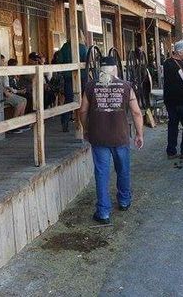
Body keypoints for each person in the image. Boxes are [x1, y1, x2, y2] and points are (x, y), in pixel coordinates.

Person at [79, 56, 144, 225]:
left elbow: (82, 111)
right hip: (120, 136)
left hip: (99, 137)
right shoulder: (126, 86)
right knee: (123, 169)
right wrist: (139, 134)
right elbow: (136, 113)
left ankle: (103, 212)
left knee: (101, 173)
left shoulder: (91, 86)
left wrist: (86, 128)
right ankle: (124, 201)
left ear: (100, 70)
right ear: (115, 69)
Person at [55, 30, 88, 132]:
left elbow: (59, 60)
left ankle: (65, 121)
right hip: (82, 77)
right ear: (81, 36)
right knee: (83, 99)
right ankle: (83, 123)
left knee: (68, 99)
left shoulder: (65, 47)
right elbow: (88, 62)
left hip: (68, 77)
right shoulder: (82, 48)